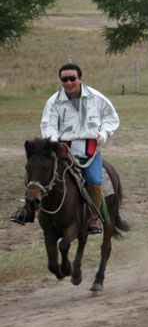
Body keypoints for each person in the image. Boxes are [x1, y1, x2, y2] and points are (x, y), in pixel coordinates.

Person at [10, 63, 120, 234]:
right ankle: (27, 210)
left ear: (80, 79)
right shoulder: (53, 102)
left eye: (72, 79)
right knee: (38, 173)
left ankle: (93, 218)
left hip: (89, 151)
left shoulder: (96, 98)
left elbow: (111, 117)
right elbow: (48, 125)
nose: (68, 82)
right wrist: (54, 142)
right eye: (64, 79)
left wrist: (104, 134)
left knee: (94, 179)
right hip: (63, 151)